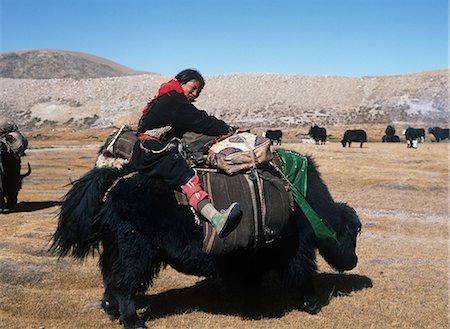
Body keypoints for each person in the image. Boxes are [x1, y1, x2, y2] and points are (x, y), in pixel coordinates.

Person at [130, 69, 241, 238]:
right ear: (182, 82)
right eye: (193, 88)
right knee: (186, 174)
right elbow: (200, 121)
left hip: (145, 151)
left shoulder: (168, 97)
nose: (195, 94)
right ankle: (216, 217)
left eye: (199, 91)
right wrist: (228, 129)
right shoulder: (174, 100)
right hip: (153, 152)